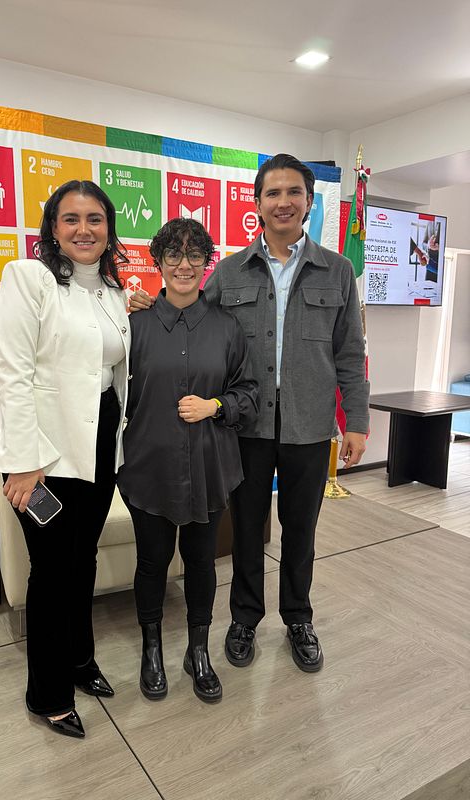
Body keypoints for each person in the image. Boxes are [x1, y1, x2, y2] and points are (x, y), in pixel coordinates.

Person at [130, 154, 369, 674]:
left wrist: (357, 420)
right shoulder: (232, 270)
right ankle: (243, 619)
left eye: (293, 193)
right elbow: (190, 312)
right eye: (272, 193)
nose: (283, 202)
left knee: (301, 529)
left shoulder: (339, 270)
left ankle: (298, 618)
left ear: (308, 201)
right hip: (247, 428)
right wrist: (145, 308)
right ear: (257, 203)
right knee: (245, 530)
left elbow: (350, 352)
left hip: (309, 427)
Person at [0, 180, 130, 738]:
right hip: (42, 456)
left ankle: (79, 660)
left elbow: (113, 369)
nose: (83, 229)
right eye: (70, 219)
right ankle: (46, 693)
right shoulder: (30, 279)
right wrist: (25, 462)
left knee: (83, 560)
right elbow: (13, 373)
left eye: (94, 219)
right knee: (50, 574)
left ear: (109, 229)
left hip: (96, 447)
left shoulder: (114, 293)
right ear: (52, 228)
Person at [118, 218, 258, 703]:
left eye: (194, 254)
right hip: (147, 468)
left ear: (207, 263)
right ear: (157, 262)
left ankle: (198, 650)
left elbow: (249, 393)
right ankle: (151, 648)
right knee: (152, 562)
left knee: (201, 563)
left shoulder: (226, 327)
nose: (183, 264)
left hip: (210, 466)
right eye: (173, 255)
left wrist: (215, 406)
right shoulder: (131, 325)